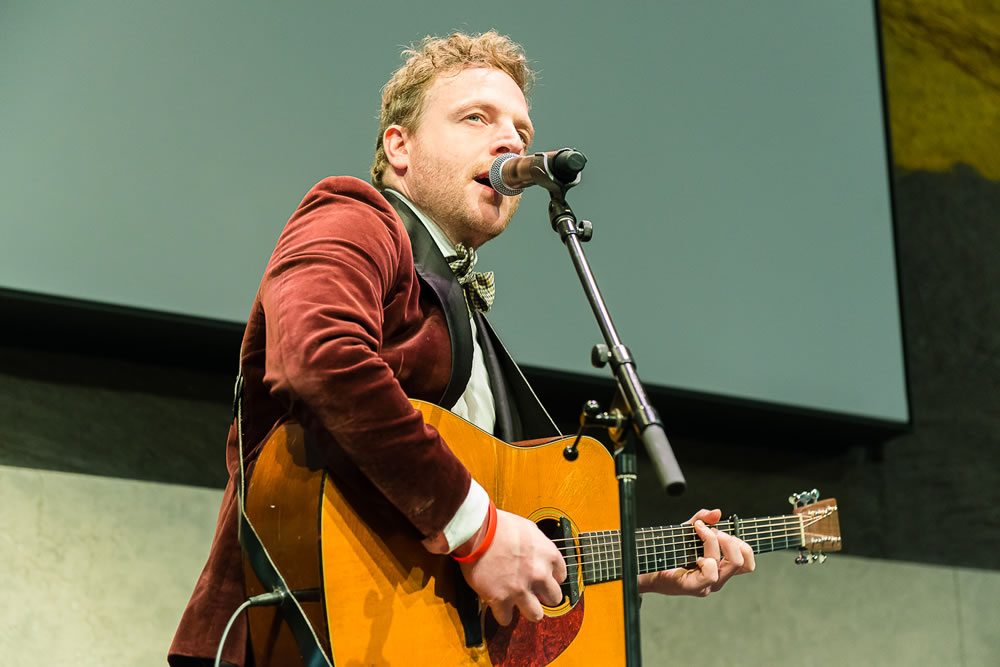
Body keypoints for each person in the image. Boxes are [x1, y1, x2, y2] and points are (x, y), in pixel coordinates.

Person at [168, 31, 754, 667]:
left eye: (521, 134)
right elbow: (320, 356)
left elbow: (474, 544)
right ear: (400, 145)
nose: (510, 142)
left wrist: (637, 568)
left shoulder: (459, 312)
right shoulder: (356, 214)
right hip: (304, 638)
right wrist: (480, 529)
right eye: (477, 117)